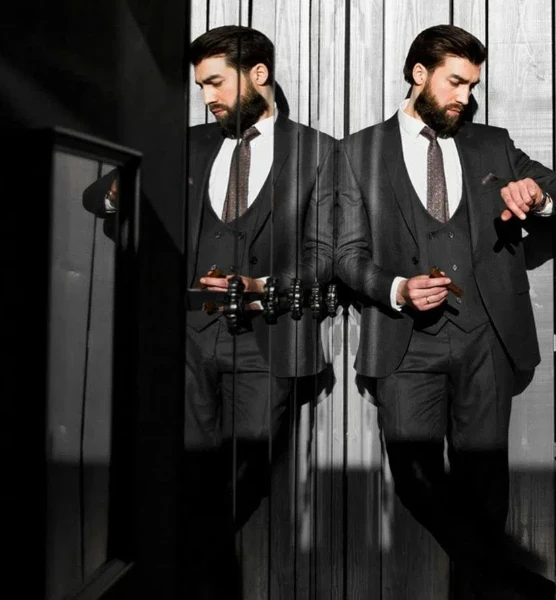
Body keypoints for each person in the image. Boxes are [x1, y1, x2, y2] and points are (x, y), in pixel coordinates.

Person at [335, 24, 556, 600]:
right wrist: (397, 286)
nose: (465, 97)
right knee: (416, 479)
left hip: (485, 340)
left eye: (472, 86)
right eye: (456, 82)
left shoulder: (491, 145)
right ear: (419, 74)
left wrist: (538, 197)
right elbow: (346, 257)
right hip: (404, 343)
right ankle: (516, 585)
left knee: (484, 494)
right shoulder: (357, 152)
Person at [84, 24, 334, 598]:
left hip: (266, 337)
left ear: (259, 75)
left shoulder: (320, 151)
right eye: (201, 87)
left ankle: (176, 573)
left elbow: (326, 255)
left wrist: (261, 283)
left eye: (216, 82)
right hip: (188, 338)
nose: (208, 97)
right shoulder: (187, 142)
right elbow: (95, 196)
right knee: (189, 473)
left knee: (247, 474)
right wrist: (120, 190)